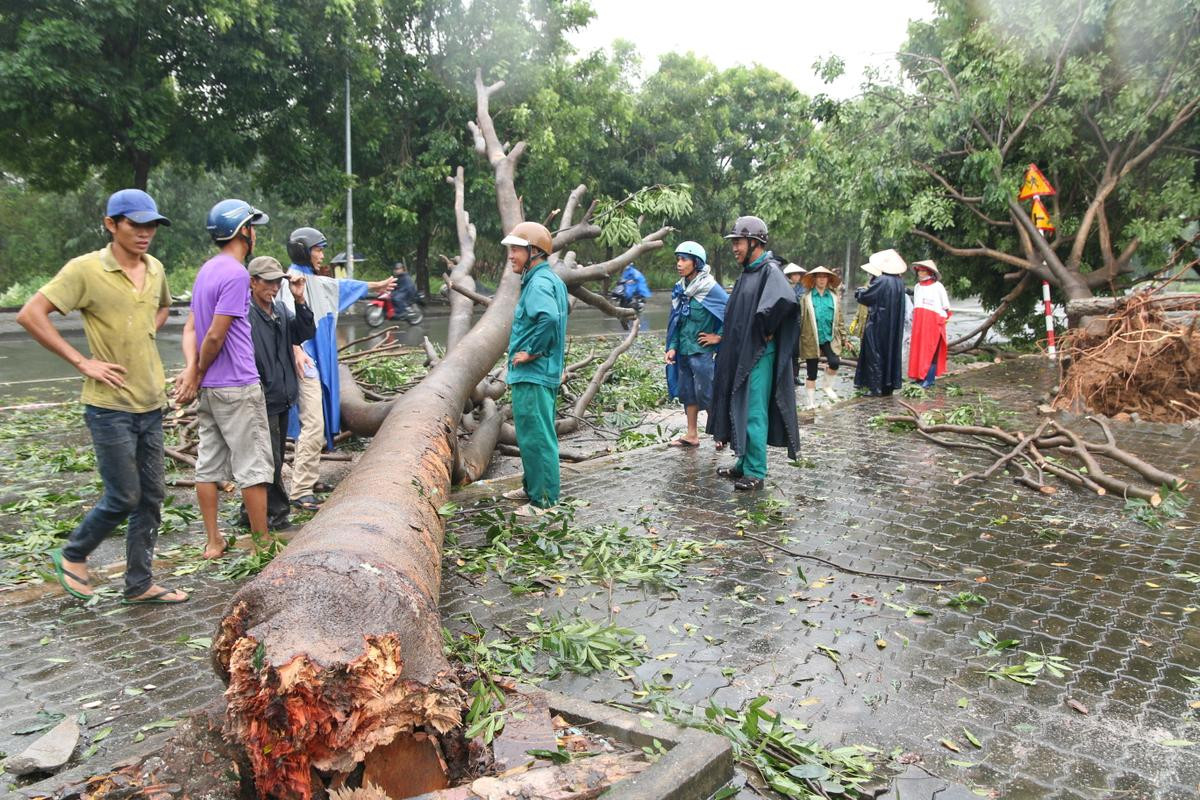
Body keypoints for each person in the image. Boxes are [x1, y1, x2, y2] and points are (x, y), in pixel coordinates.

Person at [19, 189, 185, 604]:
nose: (145, 233)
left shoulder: (156, 268)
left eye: (151, 226)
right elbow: (30, 314)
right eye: (135, 224)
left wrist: (145, 329)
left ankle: (139, 582)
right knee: (123, 495)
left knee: (151, 497)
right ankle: (74, 554)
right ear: (112, 224)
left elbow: (162, 308)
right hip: (109, 407)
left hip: (150, 402)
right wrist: (83, 361)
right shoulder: (85, 270)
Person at [174, 198, 275, 560]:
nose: (255, 234)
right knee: (253, 466)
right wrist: (197, 371)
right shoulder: (235, 274)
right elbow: (215, 336)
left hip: (211, 390)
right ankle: (263, 545)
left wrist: (193, 373)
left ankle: (213, 541)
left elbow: (191, 328)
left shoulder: (205, 272)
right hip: (237, 384)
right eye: (253, 227)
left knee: (208, 464)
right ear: (243, 231)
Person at [279, 227, 395, 511]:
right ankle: (301, 489)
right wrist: (296, 350)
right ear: (304, 250)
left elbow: (342, 287)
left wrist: (375, 286)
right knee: (313, 422)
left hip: (315, 358)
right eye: (317, 249)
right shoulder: (290, 281)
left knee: (316, 418)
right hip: (304, 360)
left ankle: (310, 477)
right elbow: (284, 319)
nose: (322, 254)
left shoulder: (314, 281)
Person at [707, 215, 800, 491]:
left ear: (755, 242)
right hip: (740, 352)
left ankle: (756, 471)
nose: (734, 247)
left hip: (758, 355)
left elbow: (785, 300)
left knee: (753, 412)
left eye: (738, 242)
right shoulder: (750, 272)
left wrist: (766, 328)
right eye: (734, 242)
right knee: (739, 406)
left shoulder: (770, 271)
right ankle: (743, 463)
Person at [499, 222, 568, 516]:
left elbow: (550, 319)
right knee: (531, 433)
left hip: (534, 373)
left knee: (537, 436)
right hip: (541, 372)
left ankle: (544, 501)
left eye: (516, 249)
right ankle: (532, 487)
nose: (511, 255)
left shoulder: (538, 284)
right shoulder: (546, 279)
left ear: (535, 251)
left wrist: (531, 352)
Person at [243, 256, 315, 531]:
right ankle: (276, 513)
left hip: (284, 395)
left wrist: (300, 300)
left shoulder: (282, 310)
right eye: (268, 282)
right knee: (267, 460)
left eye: (277, 282)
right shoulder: (246, 316)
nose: (274, 287)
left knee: (274, 457)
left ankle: (251, 511)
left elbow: (304, 332)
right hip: (263, 397)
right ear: (253, 282)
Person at [664, 241, 728, 448]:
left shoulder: (710, 288)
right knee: (687, 393)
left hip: (702, 352)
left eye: (684, 259)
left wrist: (718, 337)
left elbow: (731, 313)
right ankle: (692, 434)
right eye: (677, 259)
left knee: (707, 392)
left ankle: (719, 433)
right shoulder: (680, 289)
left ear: (696, 262)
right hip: (683, 350)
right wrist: (672, 346)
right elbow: (676, 321)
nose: (679, 264)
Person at [853, 248, 908, 397]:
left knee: (875, 354)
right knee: (890, 353)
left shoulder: (883, 280)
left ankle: (875, 387)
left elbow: (867, 296)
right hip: (893, 326)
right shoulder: (899, 282)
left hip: (878, 323)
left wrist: (859, 292)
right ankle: (887, 386)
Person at [798, 266, 844, 409]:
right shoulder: (806, 298)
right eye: (819, 277)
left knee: (834, 361)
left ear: (828, 280)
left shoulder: (834, 298)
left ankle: (827, 386)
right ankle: (811, 402)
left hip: (828, 337)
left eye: (825, 277)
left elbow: (839, 319)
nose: (822, 280)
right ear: (814, 280)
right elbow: (800, 319)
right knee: (811, 371)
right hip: (811, 337)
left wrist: (844, 337)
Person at [908, 259, 952, 388]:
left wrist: (941, 321)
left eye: (922, 270)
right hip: (919, 323)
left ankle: (929, 379)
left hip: (933, 324)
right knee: (918, 349)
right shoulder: (917, 287)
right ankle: (918, 376)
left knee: (931, 350)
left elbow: (946, 308)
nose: (920, 273)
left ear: (929, 272)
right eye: (919, 271)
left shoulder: (938, 287)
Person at [783, 263, 807, 384]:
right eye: (794, 274)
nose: (796, 276)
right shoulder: (784, 286)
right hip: (786, 322)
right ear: (790, 275)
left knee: (795, 350)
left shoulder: (802, 288)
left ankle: (795, 376)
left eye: (798, 274)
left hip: (798, 321)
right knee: (786, 349)